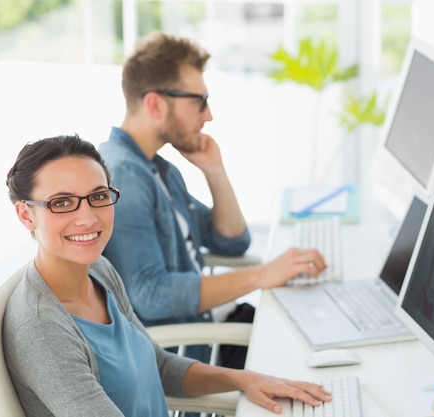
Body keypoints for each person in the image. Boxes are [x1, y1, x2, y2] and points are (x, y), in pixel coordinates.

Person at [2, 134, 331, 416]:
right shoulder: (42, 328)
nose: (88, 218)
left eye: (98, 197)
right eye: (62, 203)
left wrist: (244, 379)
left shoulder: (97, 270)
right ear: (25, 215)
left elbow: (158, 366)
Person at [98, 31, 326, 368]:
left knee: (318, 333)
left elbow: (232, 241)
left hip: (218, 326)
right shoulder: (124, 177)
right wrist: (261, 276)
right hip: (196, 352)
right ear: (155, 104)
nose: (208, 116)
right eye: (199, 101)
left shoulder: (157, 168)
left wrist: (214, 171)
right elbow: (151, 295)